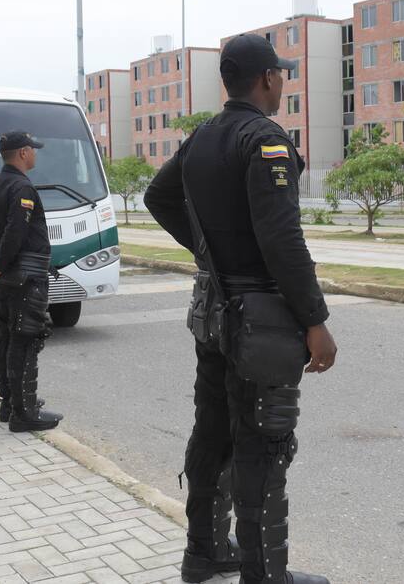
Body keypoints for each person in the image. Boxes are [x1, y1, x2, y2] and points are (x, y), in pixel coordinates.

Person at [145, 34, 337, 584]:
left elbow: (158, 197)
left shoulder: (202, 136)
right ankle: (264, 574)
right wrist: (315, 321)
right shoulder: (265, 139)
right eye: (281, 74)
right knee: (263, 442)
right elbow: (282, 241)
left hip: (214, 310)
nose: (283, 83)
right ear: (267, 78)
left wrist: (212, 256)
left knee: (213, 432)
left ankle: (204, 553)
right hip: (260, 320)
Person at [0, 131, 64, 433]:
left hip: (8, 278)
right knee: (26, 339)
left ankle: (10, 404)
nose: (35, 154)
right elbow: (16, 230)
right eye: (33, 150)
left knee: (8, 337)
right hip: (25, 277)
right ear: (24, 153)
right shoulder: (22, 187)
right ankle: (24, 412)